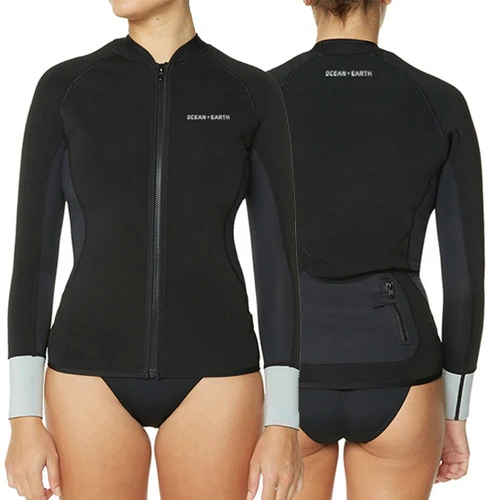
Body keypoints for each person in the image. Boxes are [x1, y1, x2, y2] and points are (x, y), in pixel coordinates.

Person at [4, 1, 304, 499]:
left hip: (218, 371)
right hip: (87, 371)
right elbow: (33, 261)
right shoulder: (66, 88)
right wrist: (22, 417)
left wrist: (284, 420)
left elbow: (277, 266)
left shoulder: (249, 92)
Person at [269, 0, 485, 498]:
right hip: (402, 372)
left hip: (290, 379)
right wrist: (455, 414)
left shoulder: (262, 96)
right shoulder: (439, 101)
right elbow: (464, 283)